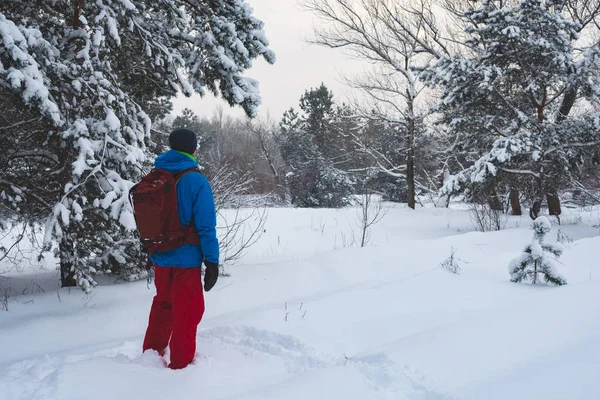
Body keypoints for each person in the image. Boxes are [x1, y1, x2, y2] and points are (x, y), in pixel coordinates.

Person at [142, 128, 220, 370]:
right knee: (187, 311)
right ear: (193, 149)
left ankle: (150, 357)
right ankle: (181, 366)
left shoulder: (156, 175)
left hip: (161, 257)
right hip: (186, 261)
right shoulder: (196, 180)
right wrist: (212, 261)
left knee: (163, 304)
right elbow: (206, 226)